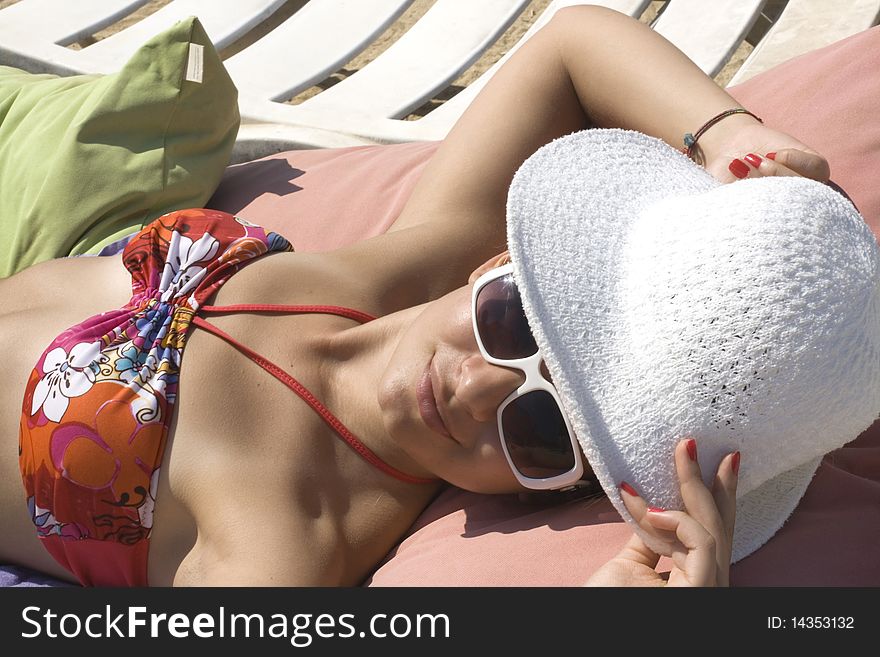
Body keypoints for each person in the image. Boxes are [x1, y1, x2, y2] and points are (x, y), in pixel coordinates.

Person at [0, 6, 844, 587]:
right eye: (512, 322)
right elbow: (571, 43)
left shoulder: (288, 537)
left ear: (545, 493)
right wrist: (730, 133)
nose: (475, 388)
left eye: (541, 431)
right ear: (498, 266)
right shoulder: (422, 260)